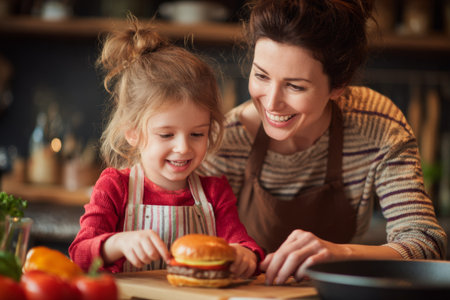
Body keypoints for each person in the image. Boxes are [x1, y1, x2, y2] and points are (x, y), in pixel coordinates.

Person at [198, 0, 447, 285]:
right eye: (261, 76)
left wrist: (340, 254)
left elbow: (426, 242)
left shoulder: (376, 125)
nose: (272, 102)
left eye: (295, 86)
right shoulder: (228, 139)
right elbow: (194, 240)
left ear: (338, 86)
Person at [69, 17, 263, 277]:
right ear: (133, 132)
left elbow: (242, 243)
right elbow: (79, 255)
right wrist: (117, 243)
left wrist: (245, 255)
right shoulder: (114, 187)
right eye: (166, 134)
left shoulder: (215, 193)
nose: (183, 147)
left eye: (197, 134)